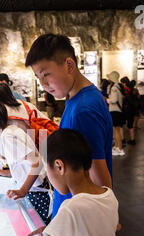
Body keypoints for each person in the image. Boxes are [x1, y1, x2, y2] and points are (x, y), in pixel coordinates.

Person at [24, 33, 113, 220]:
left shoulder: (83, 110)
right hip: (70, 219)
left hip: (78, 221)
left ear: (69, 65)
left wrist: (105, 220)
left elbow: (100, 179)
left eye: (46, 74)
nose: (43, 85)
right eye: (38, 77)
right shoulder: (80, 98)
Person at [0, 99, 52, 223]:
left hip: (37, 192)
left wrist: (22, 190)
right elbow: (23, 165)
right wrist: (3, 172)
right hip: (36, 188)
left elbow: (36, 162)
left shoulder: (8, 136)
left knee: (42, 229)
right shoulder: (11, 129)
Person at [107, 71, 126, 156]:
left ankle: (120, 149)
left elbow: (113, 100)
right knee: (115, 130)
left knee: (116, 130)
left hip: (115, 111)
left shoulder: (114, 87)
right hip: (117, 111)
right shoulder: (119, 86)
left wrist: (106, 100)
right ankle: (117, 146)